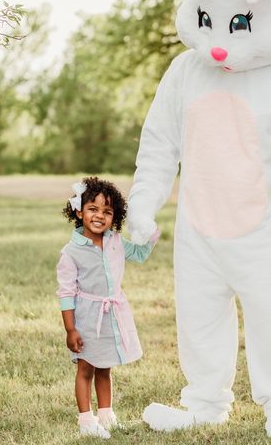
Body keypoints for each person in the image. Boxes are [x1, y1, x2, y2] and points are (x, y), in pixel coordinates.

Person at [57, 177, 159, 438]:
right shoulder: (71, 252)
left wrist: (149, 233)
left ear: (115, 216)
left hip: (111, 313)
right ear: (79, 211)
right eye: (93, 209)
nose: (99, 215)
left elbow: (138, 254)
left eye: (107, 211)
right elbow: (66, 294)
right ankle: (86, 421)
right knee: (86, 368)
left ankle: (106, 415)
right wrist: (71, 330)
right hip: (87, 317)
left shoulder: (115, 240)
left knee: (105, 366)